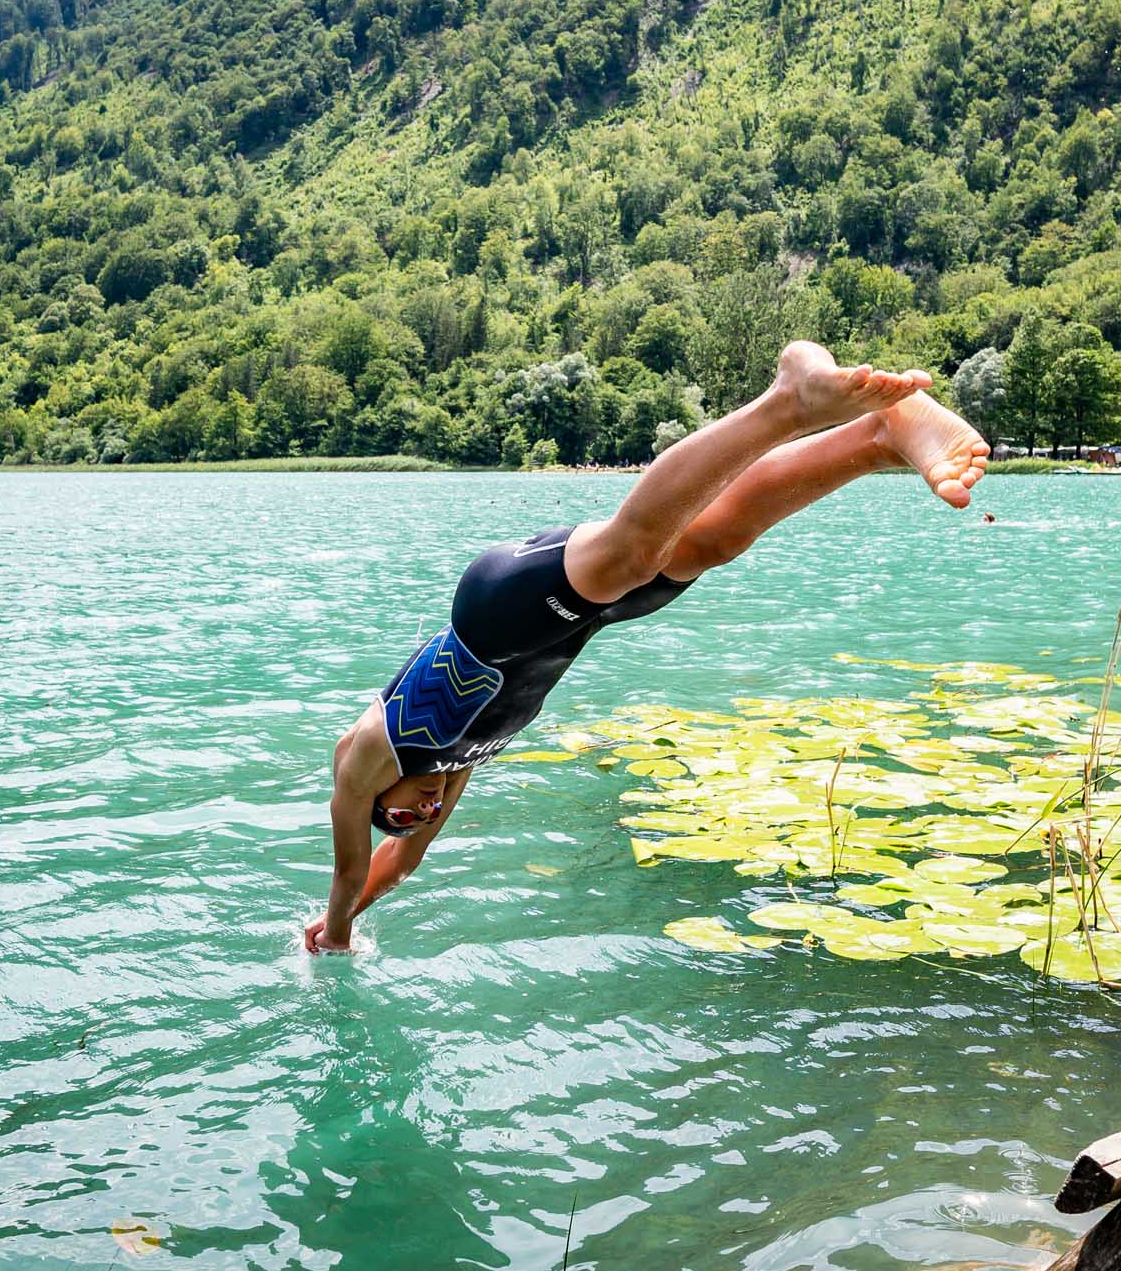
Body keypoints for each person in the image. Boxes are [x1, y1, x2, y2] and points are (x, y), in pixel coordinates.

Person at [304, 341, 991, 952]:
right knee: (710, 543)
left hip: (497, 608)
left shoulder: (373, 750)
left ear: (376, 792)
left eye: (399, 811)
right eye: (417, 817)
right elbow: (400, 862)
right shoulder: (450, 772)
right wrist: (359, 908)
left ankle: (790, 397)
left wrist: (335, 929)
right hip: (574, 625)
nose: (422, 810)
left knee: (633, 554)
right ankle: (880, 435)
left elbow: (350, 861)